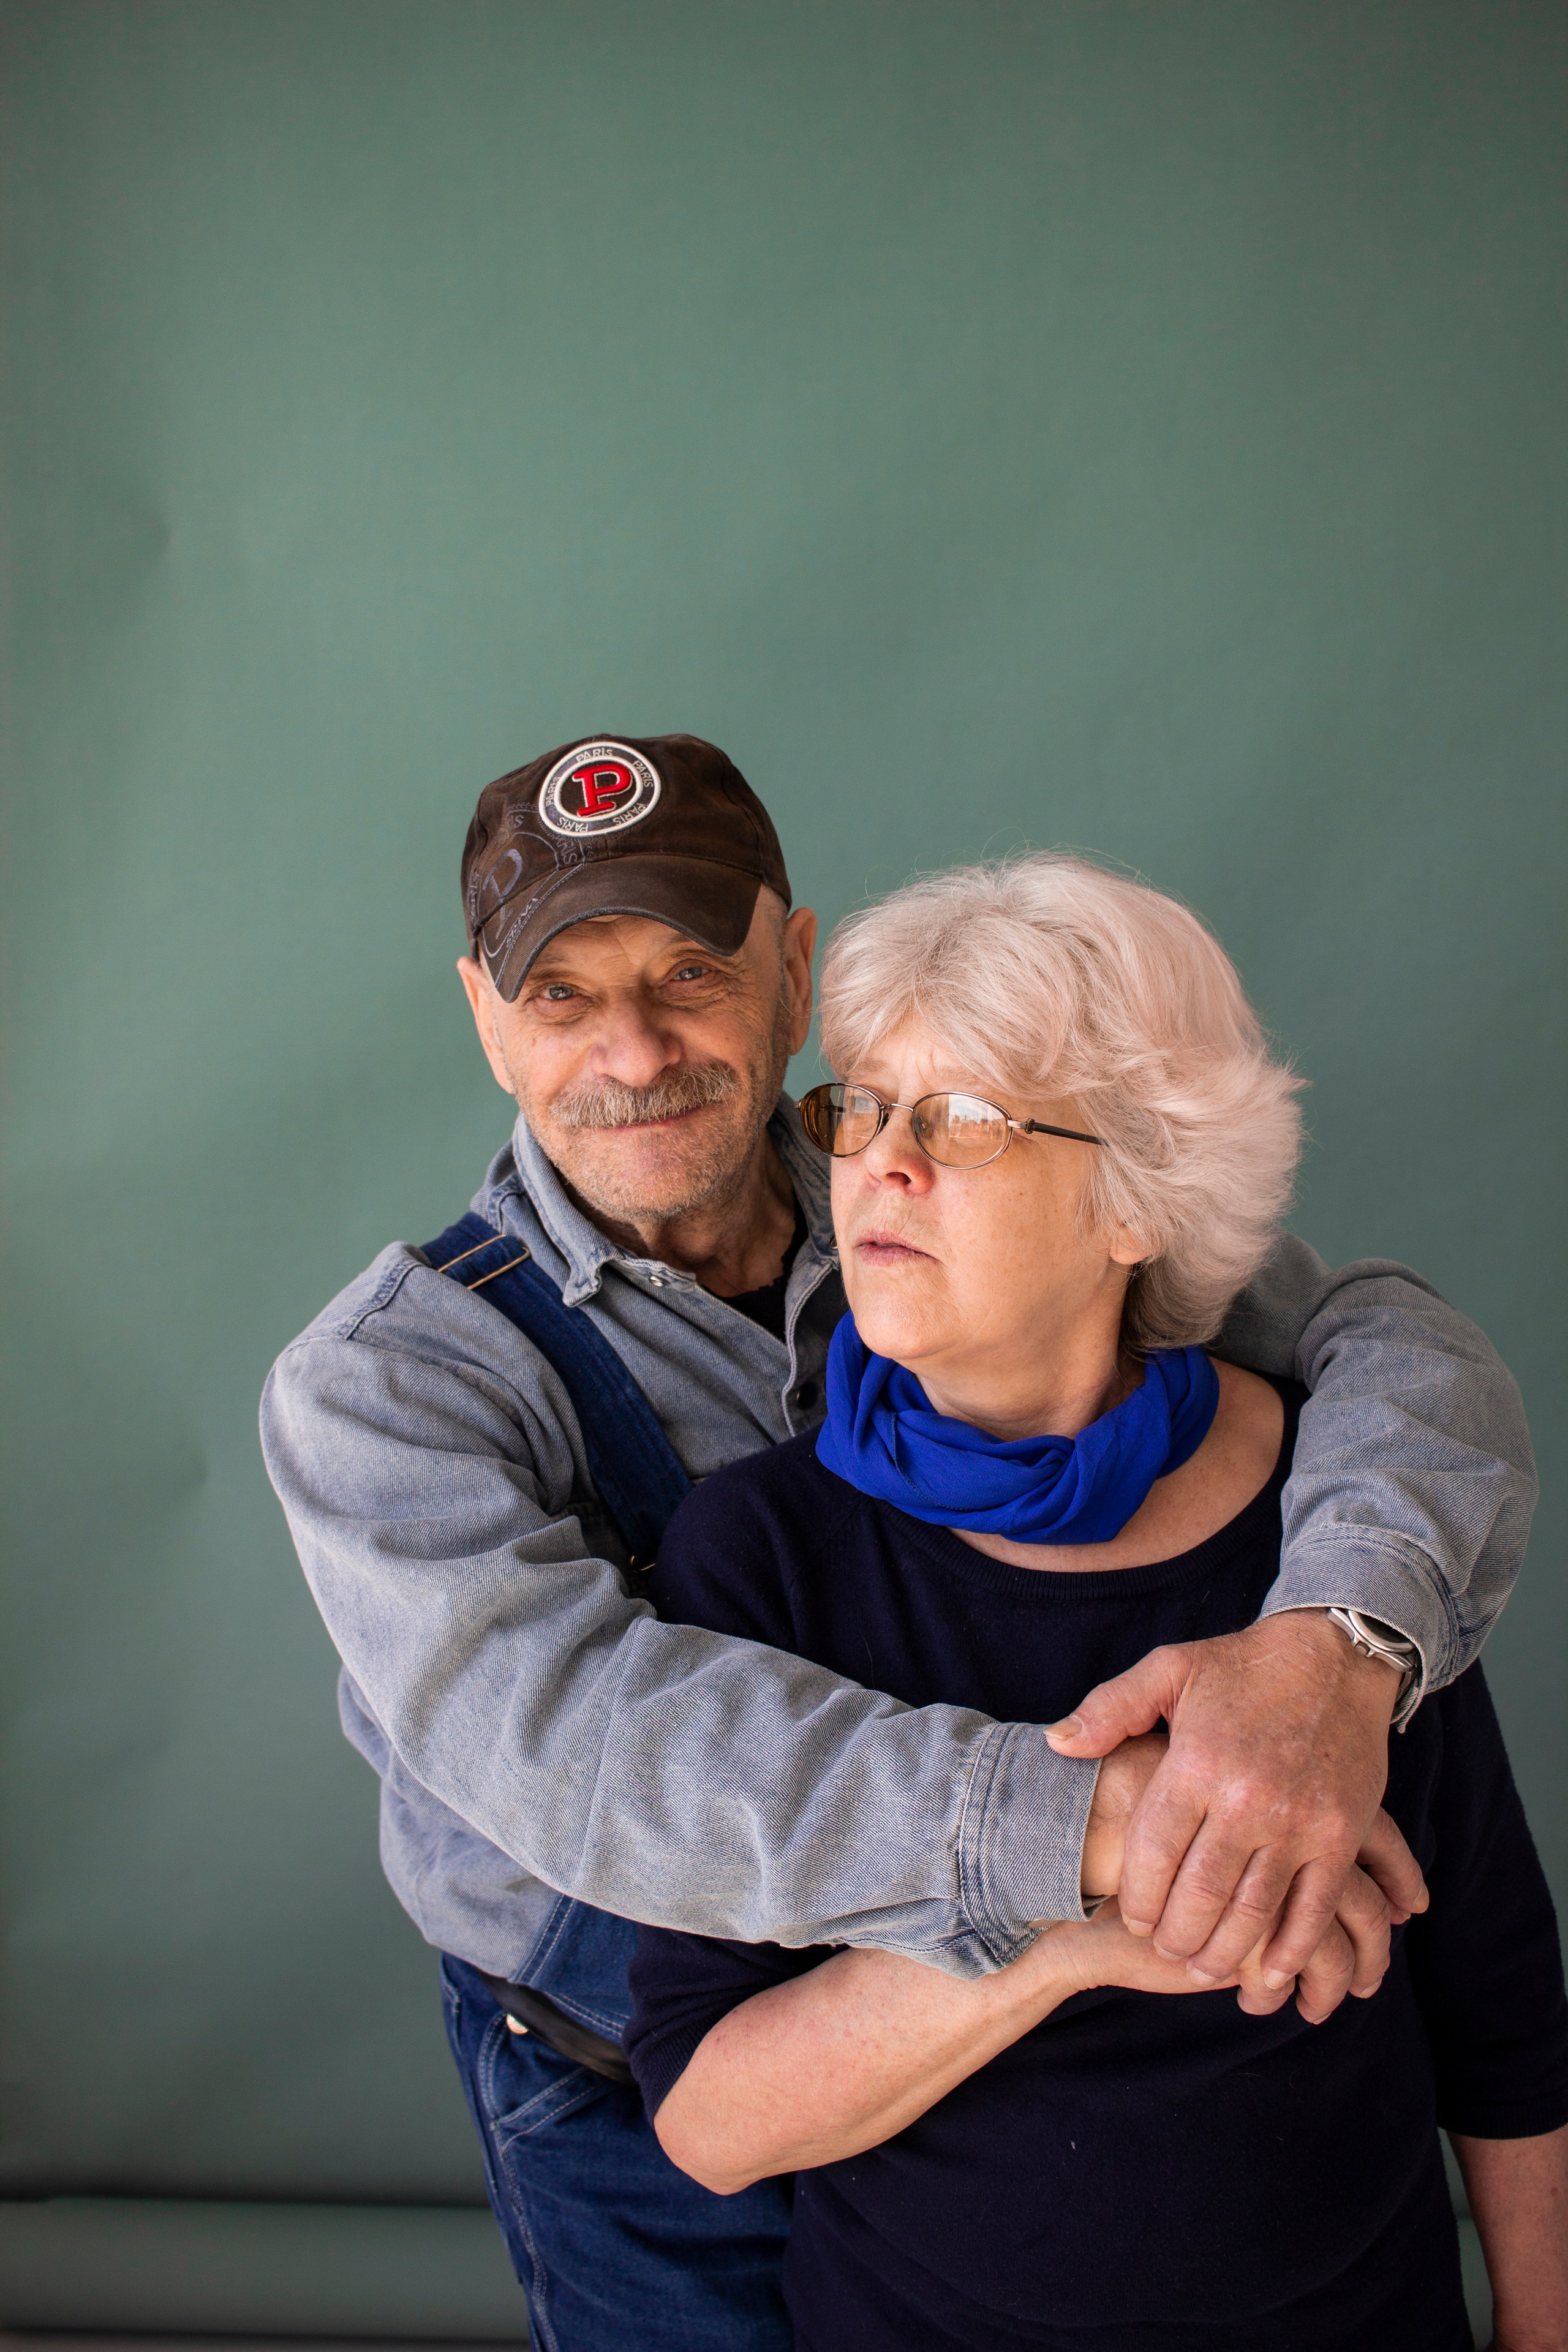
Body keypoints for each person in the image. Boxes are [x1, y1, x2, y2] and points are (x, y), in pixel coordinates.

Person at [260, 736, 1537, 2352]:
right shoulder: (386, 1387)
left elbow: (1389, 1355)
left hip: (1018, 2104)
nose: (633, 1046)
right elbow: (609, 1760)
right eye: (562, 994)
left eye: (686, 972)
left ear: (794, 969)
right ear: (484, 1019)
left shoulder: (921, 1166)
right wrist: (1117, 1837)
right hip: (632, 2082)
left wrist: (1330, 1651)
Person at [627, 852, 1568, 2352]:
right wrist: (1081, 1922)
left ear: (1140, 1198)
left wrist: (1538, 2322)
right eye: (864, 1106)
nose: (879, 1163)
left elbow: (1496, 1989)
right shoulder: (764, 1548)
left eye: (967, 1120)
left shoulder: (1333, 1525)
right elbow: (708, 2120)